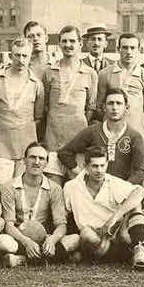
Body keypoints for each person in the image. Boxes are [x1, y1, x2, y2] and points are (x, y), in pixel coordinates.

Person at [58, 146, 144, 264]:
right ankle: (123, 256)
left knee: (135, 206)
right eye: (94, 166)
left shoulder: (113, 182)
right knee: (86, 234)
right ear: (85, 166)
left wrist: (115, 217)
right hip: (92, 237)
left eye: (102, 165)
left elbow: (139, 192)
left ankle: (139, 251)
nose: (99, 170)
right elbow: (64, 214)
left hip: (115, 232)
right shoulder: (71, 187)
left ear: (107, 164)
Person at [0, 36, 46, 187]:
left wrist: (24, 130)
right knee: (0, 189)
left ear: (30, 57)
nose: (21, 60)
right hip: (1, 146)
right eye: (17, 55)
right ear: (10, 56)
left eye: (25, 56)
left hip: (26, 147)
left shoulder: (37, 84)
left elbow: (38, 117)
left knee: (22, 189)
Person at [0, 141, 67, 266]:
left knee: (74, 239)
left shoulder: (55, 188)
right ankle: (44, 259)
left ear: (47, 163)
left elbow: (61, 224)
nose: (36, 162)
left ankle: (22, 260)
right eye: (32, 157)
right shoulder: (9, 187)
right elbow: (9, 225)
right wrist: (26, 242)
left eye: (41, 159)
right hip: (19, 238)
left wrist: (52, 240)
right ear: (24, 160)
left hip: (43, 239)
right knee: (2, 242)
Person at [57, 86, 144, 184]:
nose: (114, 107)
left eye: (119, 103)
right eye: (110, 103)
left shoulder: (134, 136)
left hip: (121, 188)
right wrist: (81, 174)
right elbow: (64, 153)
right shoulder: (92, 131)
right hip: (95, 187)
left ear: (126, 108)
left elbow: (141, 171)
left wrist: (123, 187)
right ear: (104, 108)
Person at [41, 24, 99, 175]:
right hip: (53, 139)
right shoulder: (49, 71)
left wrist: (78, 123)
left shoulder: (90, 74)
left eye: (72, 41)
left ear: (80, 44)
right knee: (53, 182)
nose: (68, 45)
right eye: (64, 41)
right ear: (59, 44)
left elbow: (91, 106)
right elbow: (45, 105)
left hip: (78, 141)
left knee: (77, 182)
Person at [97, 31, 144, 134]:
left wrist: (135, 123)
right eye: (125, 47)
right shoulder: (104, 74)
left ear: (139, 50)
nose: (129, 52)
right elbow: (99, 107)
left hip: (136, 133)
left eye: (132, 48)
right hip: (110, 133)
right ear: (118, 49)